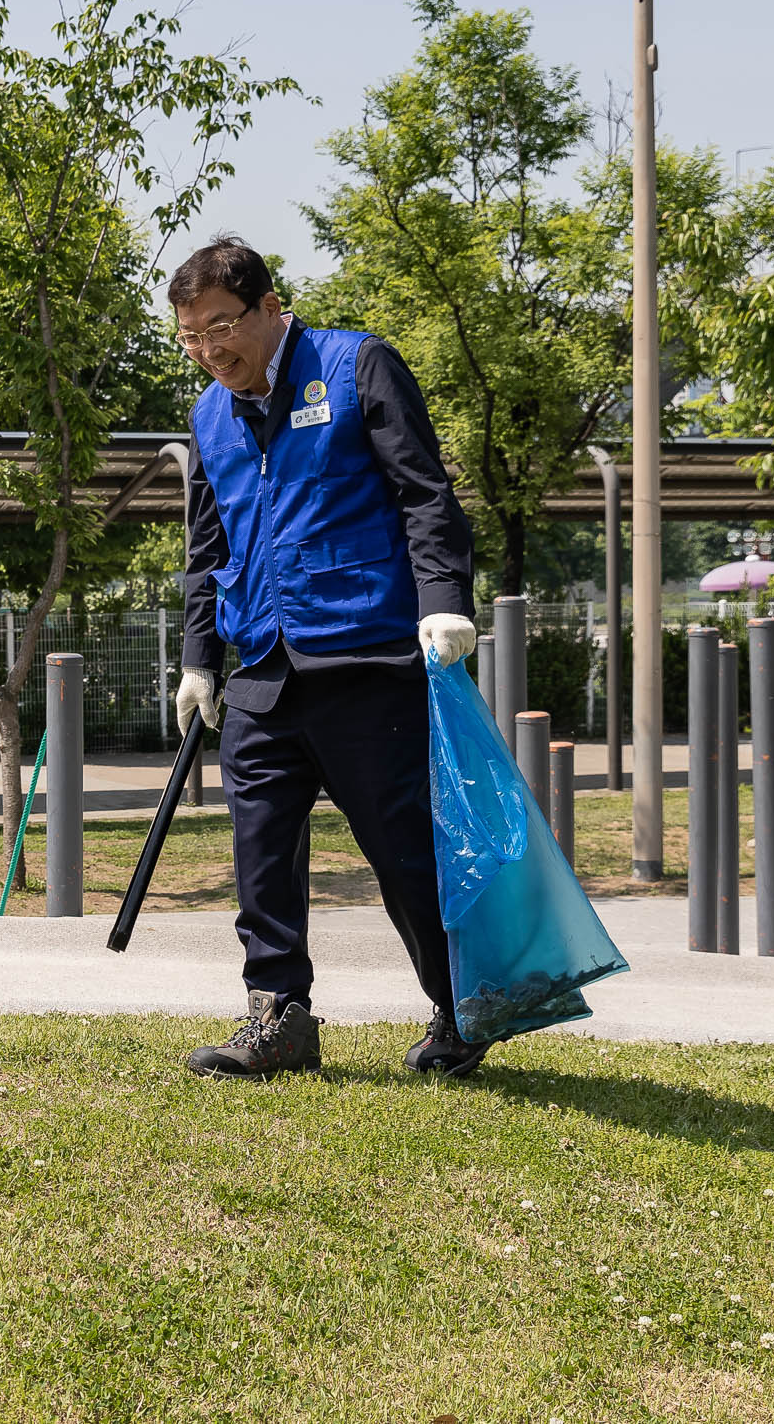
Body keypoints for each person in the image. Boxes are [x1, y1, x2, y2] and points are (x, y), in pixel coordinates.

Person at [168, 235, 484, 1079]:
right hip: (262, 671)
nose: (209, 351)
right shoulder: (207, 415)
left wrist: (444, 601)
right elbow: (208, 550)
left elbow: (425, 495)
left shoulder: (356, 367)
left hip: (366, 660)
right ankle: (280, 1018)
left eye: (222, 327)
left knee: (403, 852)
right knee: (260, 854)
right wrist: (200, 657)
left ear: (272, 308)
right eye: (191, 337)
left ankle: (459, 1012)